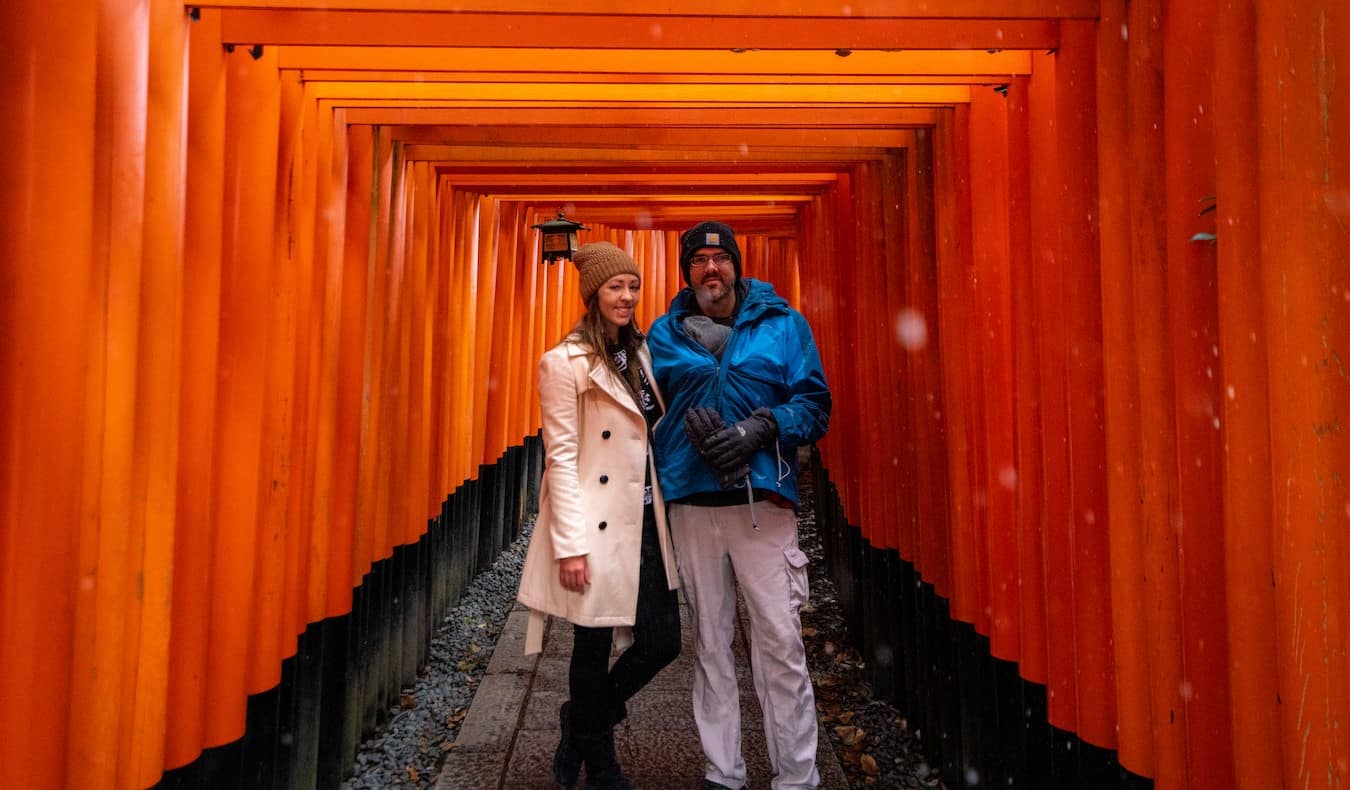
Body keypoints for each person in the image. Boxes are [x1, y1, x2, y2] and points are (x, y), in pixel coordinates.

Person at [647, 221, 832, 790]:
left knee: (780, 639)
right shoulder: (663, 334)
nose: (711, 268)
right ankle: (722, 772)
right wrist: (685, 437)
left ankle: (797, 776)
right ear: (687, 272)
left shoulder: (783, 324)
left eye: (721, 258)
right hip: (692, 503)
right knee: (710, 642)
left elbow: (815, 404)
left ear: (736, 265)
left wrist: (762, 426)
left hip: (763, 501)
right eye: (699, 259)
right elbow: (645, 413)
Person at [516, 241, 682, 790]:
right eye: (616, 287)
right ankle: (603, 766)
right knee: (591, 642)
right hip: (597, 523)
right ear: (594, 295)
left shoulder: (642, 353)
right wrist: (570, 545)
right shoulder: (563, 364)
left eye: (633, 286)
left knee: (662, 641)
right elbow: (561, 459)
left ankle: (583, 723)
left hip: (646, 519)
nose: (627, 296)